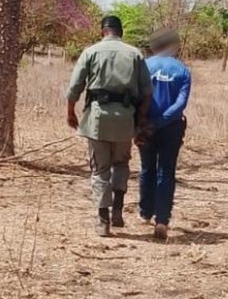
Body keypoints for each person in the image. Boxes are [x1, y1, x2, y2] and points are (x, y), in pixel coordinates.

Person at [66, 15, 152, 237]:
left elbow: (75, 87)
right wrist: (140, 120)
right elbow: (147, 93)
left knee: (100, 168)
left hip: (98, 118)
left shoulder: (91, 52)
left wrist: (71, 113)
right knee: (121, 163)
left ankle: (103, 220)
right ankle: (118, 211)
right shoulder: (135, 54)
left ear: (103, 31)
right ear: (120, 32)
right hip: (125, 119)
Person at [138, 29, 191, 240]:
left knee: (146, 168)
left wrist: (144, 122)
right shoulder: (183, 71)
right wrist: (163, 120)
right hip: (172, 127)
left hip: (145, 125)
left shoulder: (144, 66)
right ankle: (162, 219)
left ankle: (145, 212)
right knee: (166, 172)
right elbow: (181, 103)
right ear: (174, 46)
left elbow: (135, 95)